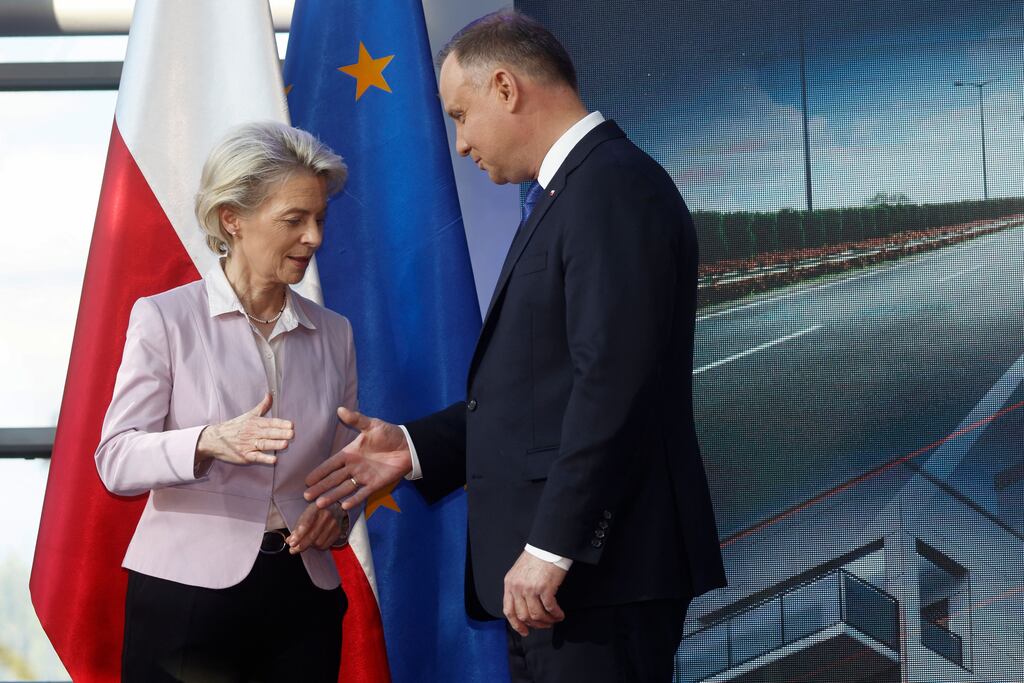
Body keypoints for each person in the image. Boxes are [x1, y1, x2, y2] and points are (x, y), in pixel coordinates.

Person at [305, 9, 726, 682]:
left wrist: (554, 546)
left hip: (594, 577)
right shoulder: (572, 192)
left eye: (460, 115)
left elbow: (611, 384)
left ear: (505, 87)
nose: (461, 141)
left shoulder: (610, 188)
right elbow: (539, 394)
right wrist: (414, 446)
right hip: (563, 586)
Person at [94, 121, 355, 683]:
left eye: (319, 219)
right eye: (294, 219)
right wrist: (209, 441)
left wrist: (337, 514)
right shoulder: (165, 318)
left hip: (302, 599)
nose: (315, 237)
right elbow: (115, 459)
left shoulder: (336, 333)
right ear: (231, 219)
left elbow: (345, 468)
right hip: (185, 598)